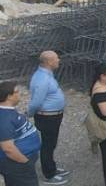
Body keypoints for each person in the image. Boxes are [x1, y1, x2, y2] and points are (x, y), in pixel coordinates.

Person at [25, 51, 67, 185]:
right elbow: (36, 102)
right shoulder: (42, 79)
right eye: (56, 59)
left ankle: (52, 167)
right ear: (49, 62)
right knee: (48, 145)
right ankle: (49, 175)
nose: (59, 60)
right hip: (47, 117)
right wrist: (30, 113)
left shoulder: (46, 75)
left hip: (53, 116)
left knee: (51, 143)